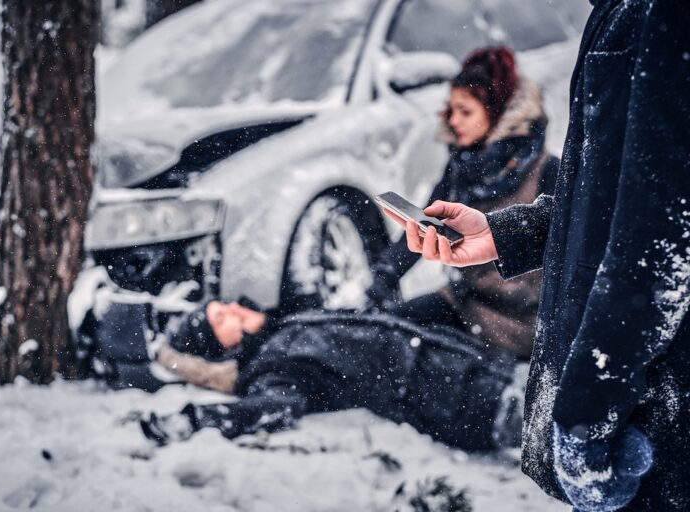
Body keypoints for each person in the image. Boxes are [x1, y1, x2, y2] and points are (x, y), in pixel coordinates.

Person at [391, 1, 690, 510]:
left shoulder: (661, 16)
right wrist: (503, 234)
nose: (454, 121)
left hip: (649, 407)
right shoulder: (621, 12)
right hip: (611, 387)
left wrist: (585, 418)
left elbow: (658, 246)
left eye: (467, 110)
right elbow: (605, 203)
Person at [367, 46, 557, 358]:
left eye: (465, 111)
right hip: (467, 302)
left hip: (522, 325)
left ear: (497, 112)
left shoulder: (548, 172)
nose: (454, 120)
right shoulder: (463, 166)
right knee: (388, 333)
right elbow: (425, 223)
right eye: (451, 110)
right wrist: (385, 275)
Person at [139, 299, 526, 452]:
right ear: (219, 349)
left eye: (219, 304)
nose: (231, 308)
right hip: (470, 402)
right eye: (219, 319)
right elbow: (274, 407)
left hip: (484, 365)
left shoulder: (284, 326)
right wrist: (198, 418)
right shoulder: (272, 367)